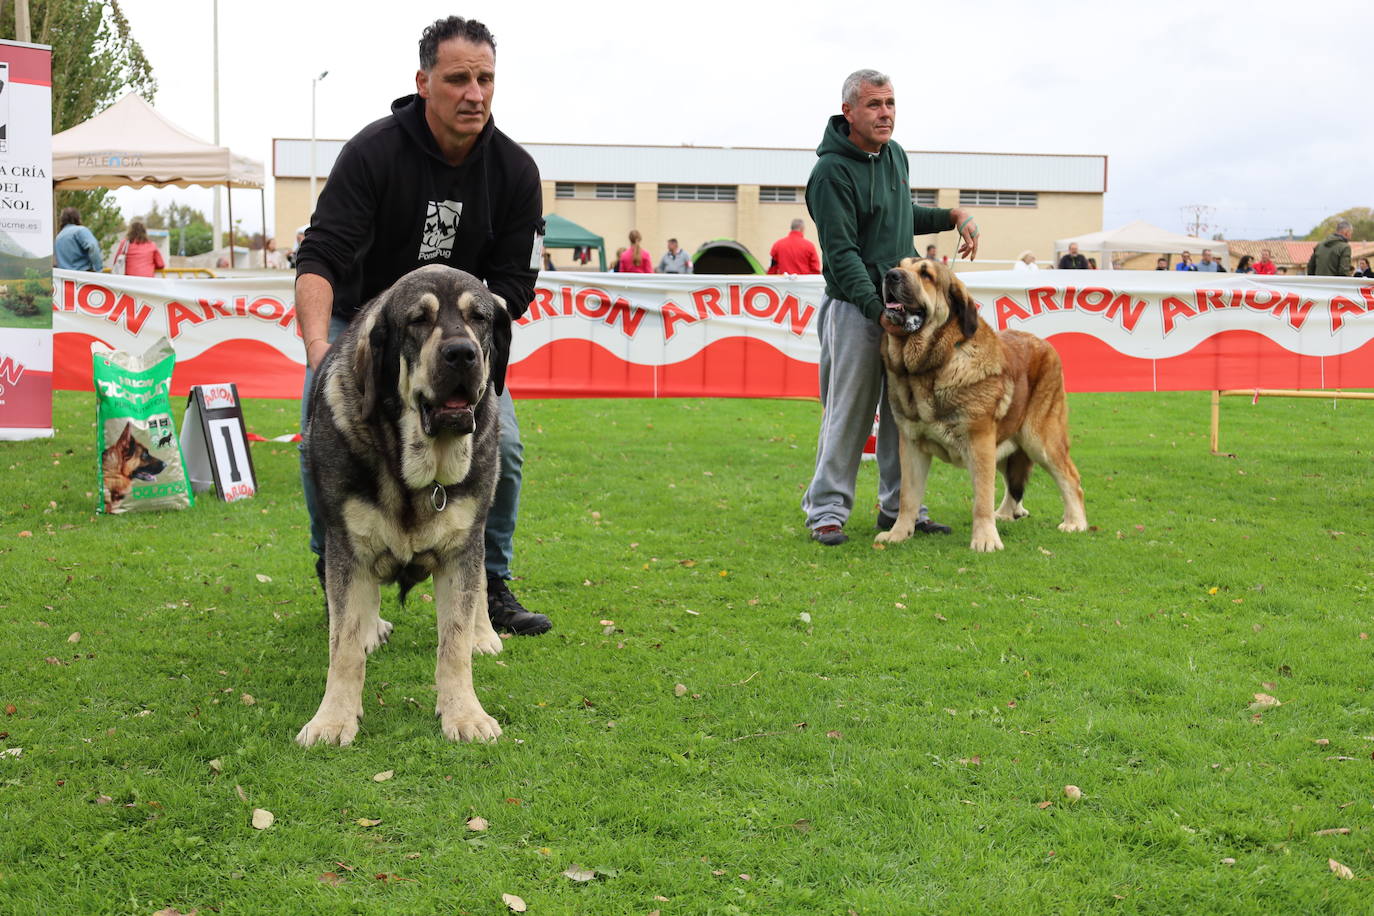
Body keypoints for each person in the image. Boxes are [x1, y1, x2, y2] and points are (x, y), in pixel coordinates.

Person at [293, 16, 551, 636]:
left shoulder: (516, 172)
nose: (476, 93)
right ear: (424, 81)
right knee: (316, 434)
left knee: (507, 448)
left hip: (462, 342)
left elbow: (516, 284)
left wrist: (467, 326)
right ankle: (339, 567)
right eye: (459, 78)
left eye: (486, 79)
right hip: (369, 331)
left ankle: (488, 583)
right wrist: (320, 350)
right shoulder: (374, 153)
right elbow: (321, 255)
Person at [801, 68, 979, 547]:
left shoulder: (895, 155)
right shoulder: (830, 173)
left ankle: (902, 510)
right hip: (856, 309)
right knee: (849, 413)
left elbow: (901, 216)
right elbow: (841, 254)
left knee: (904, 411)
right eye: (875, 105)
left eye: (891, 103)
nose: (886, 113)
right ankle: (826, 511)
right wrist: (875, 308)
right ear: (849, 112)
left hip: (903, 310)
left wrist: (952, 216)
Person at [54, 207, 103, 272]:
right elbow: (93, 246)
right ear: (77, 218)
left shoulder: (58, 237)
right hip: (83, 275)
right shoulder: (80, 230)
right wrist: (98, 269)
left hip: (66, 277)